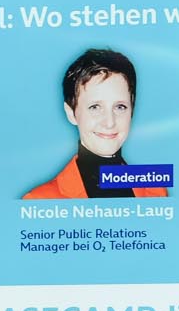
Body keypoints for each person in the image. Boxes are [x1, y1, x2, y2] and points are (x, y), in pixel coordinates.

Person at [22, 49, 167, 199]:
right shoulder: (40, 200)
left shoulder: (155, 191)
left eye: (120, 107)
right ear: (71, 112)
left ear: (132, 110)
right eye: (95, 107)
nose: (110, 122)